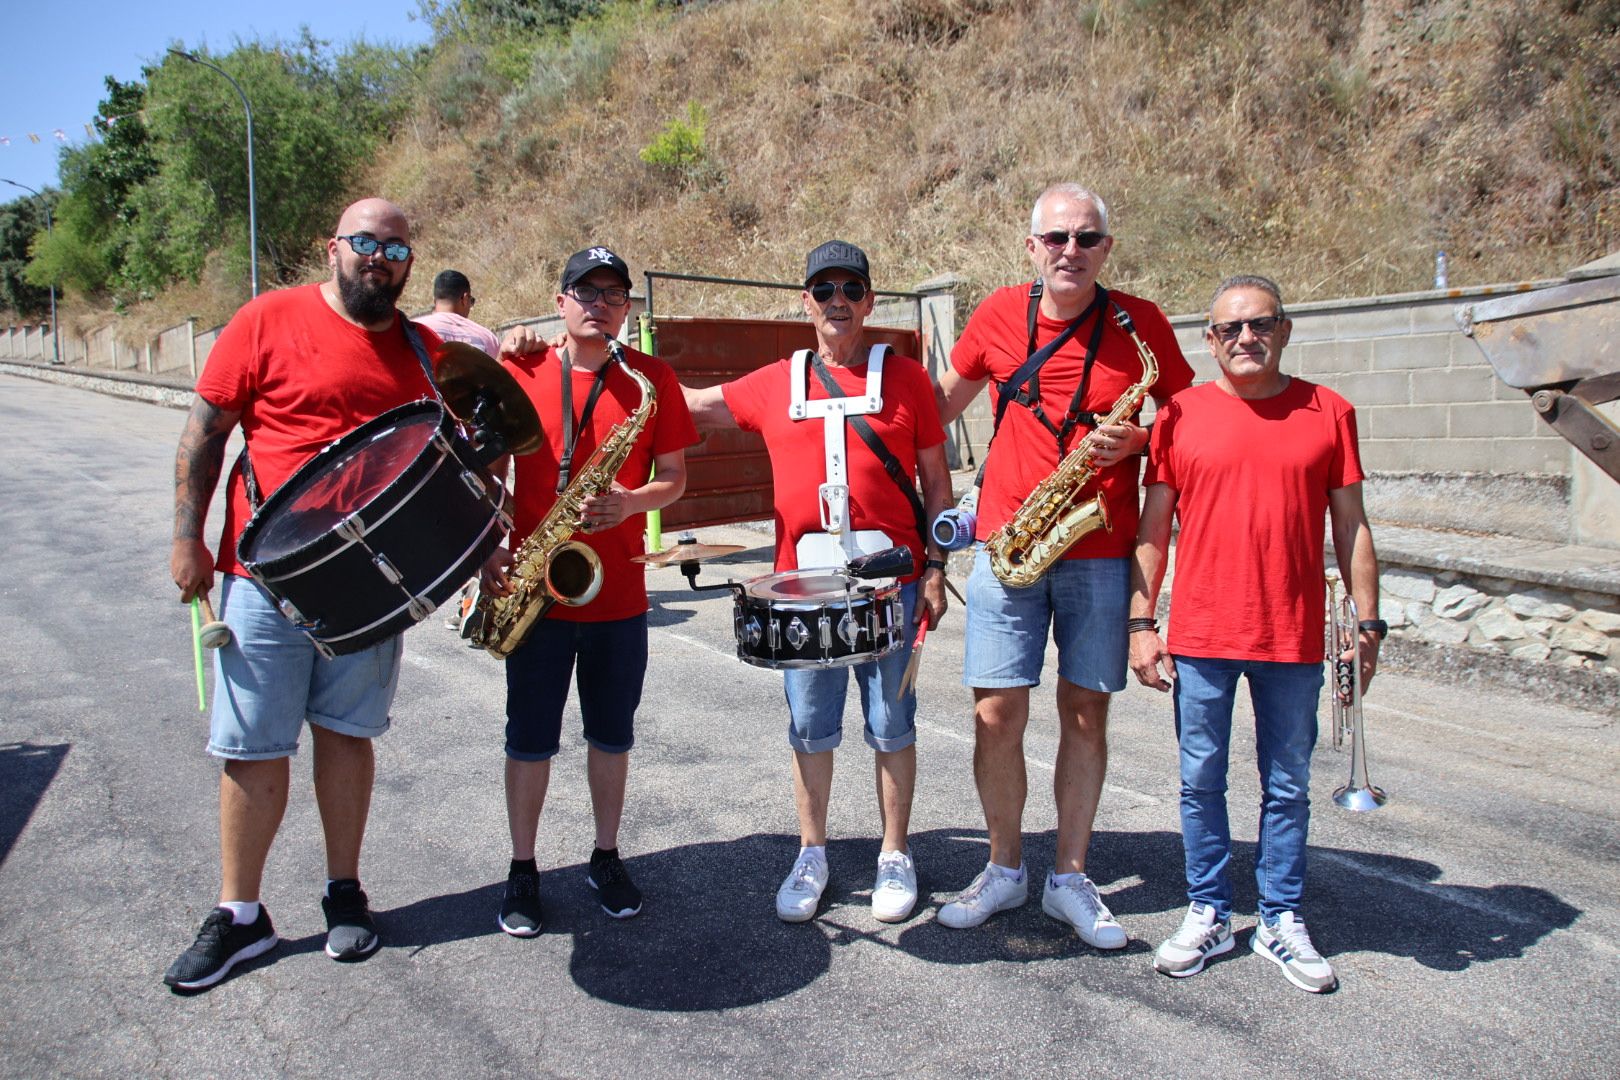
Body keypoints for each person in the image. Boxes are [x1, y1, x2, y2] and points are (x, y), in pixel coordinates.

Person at [165, 198, 441, 991]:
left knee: (347, 736)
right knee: (252, 748)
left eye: (395, 248)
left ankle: (344, 891)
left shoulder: (421, 350)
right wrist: (187, 538)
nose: (379, 258)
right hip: (263, 579)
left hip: (367, 589)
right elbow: (205, 433)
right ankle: (239, 915)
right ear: (333, 249)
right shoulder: (266, 320)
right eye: (365, 243)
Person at [933, 183, 1194, 946]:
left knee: (1086, 713)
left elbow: (1185, 415)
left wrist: (1143, 441)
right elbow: (936, 411)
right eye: (1056, 239)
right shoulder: (995, 317)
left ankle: (1070, 877)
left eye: (1086, 239)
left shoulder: (1139, 325)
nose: (1069, 252)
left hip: (1100, 551)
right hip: (1010, 546)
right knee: (994, 714)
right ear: (1031, 248)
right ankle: (1005, 868)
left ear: (1106, 248)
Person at [683, 240, 953, 924]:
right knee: (809, 726)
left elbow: (938, 484)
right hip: (804, 587)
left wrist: (940, 569)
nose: (839, 302)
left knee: (893, 722)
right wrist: (612, 365)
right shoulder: (777, 380)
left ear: (870, 299)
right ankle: (812, 851)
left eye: (852, 289)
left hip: (892, 584)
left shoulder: (909, 379)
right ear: (805, 300)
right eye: (824, 290)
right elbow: (690, 407)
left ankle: (895, 852)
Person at [1130, 274, 1382, 993]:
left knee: (1287, 787)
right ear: (1209, 341)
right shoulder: (1177, 414)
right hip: (1204, 633)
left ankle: (1278, 917)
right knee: (1200, 782)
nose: (1245, 338)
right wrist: (1142, 623)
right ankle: (1208, 908)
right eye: (1228, 329)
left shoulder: (1330, 412)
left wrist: (1367, 624)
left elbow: (1353, 526)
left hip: (1295, 637)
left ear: (1285, 329)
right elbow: (1154, 529)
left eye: (1260, 324)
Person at [482, 246, 697, 936]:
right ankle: (522, 869)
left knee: (611, 736)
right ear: (560, 298)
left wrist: (632, 503)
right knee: (529, 741)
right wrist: (489, 549)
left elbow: (676, 478)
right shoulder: (522, 368)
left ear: (627, 308)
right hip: (537, 592)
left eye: (613, 294)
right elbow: (484, 470)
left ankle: (605, 855)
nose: (598, 303)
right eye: (585, 290)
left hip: (618, 596)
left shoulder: (651, 378)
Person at [415, 269, 501, 629]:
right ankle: (474, 595)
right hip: (472, 447)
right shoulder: (483, 338)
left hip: (423, 444)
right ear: (465, 298)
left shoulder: (413, 331)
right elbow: (496, 397)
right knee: (477, 520)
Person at [415, 269, 501, 357]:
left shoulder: (414, 329)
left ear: (435, 300)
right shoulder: (487, 338)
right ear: (465, 299)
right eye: (471, 301)